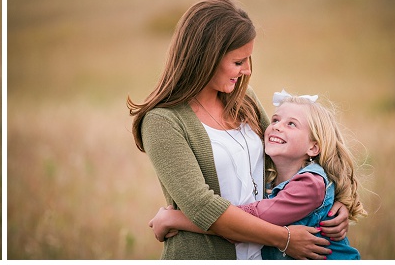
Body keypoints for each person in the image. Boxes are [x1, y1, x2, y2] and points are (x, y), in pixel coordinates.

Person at [127, 0, 350, 259]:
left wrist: (334, 203)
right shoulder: (163, 122)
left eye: (248, 60)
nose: (246, 70)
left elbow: (292, 155)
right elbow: (203, 208)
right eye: (237, 62)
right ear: (206, 58)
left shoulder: (244, 100)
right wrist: (284, 239)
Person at [148, 91, 364, 259]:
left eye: (291, 124)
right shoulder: (273, 179)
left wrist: (175, 219)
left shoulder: (310, 185)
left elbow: (252, 219)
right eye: (275, 120)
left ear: (313, 147)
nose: (277, 127)